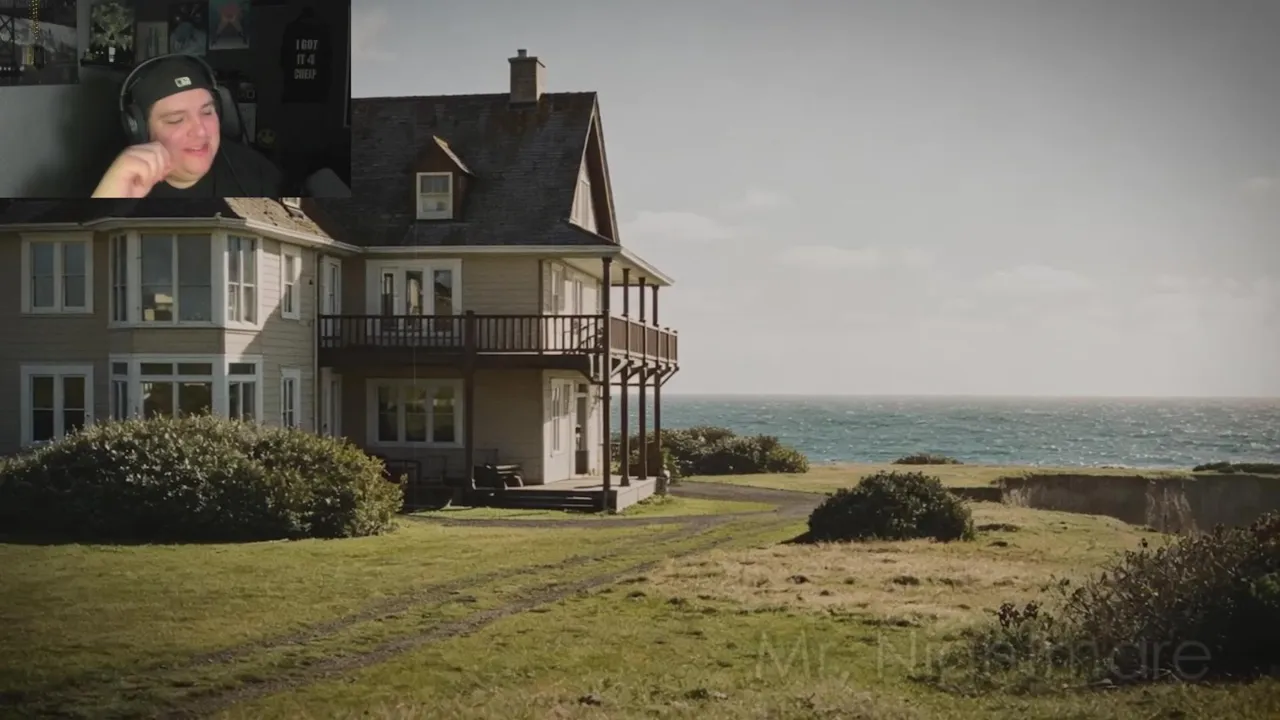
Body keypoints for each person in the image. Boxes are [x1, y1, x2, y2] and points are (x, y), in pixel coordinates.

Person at [93, 54, 283, 198]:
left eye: (207, 112)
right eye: (176, 120)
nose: (201, 131)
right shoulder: (114, 184)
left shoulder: (260, 175)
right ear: (139, 130)